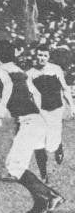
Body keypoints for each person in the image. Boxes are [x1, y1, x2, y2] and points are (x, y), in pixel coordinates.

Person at [0, 40, 64, 213]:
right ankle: (40, 202)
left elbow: (7, 86)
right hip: (37, 121)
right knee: (18, 165)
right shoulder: (21, 72)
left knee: (14, 166)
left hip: (30, 123)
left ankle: (52, 196)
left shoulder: (0, 71)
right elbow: (36, 94)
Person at [26, 44, 73, 183]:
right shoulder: (30, 73)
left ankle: (58, 147)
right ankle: (44, 174)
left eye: (45, 55)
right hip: (40, 111)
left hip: (56, 110)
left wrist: (72, 105)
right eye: (40, 55)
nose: (42, 58)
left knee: (51, 143)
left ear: (49, 56)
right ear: (36, 55)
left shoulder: (56, 69)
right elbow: (30, 93)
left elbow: (65, 88)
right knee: (38, 143)